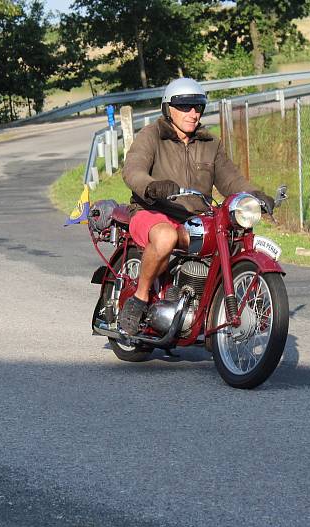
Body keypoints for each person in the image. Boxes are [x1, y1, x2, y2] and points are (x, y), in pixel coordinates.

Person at [118, 77, 274, 335]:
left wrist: (255, 195)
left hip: (195, 218)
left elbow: (231, 180)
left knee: (229, 239)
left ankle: (207, 312)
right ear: (168, 108)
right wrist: (151, 186)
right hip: (153, 211)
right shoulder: (152, 135)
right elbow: (133, 170)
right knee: (166, 236)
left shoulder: (210, 143)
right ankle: (140, 298)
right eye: (185, 106)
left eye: (198, 107)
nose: (193, 113)